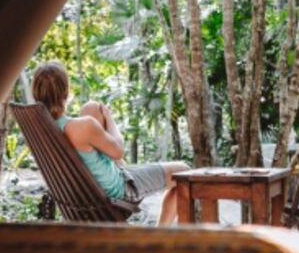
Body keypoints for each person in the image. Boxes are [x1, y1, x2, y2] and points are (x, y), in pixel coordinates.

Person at [31, 61, 188, 225]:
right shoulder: (82, 127)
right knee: (183, 171)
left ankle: (122, 168)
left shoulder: (39, 128)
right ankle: (161, 234)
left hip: (81, 193)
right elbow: (118, 151)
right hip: (114, 192)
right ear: (65, 92)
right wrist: (109, 118)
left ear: (36, 93)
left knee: (92, 107)